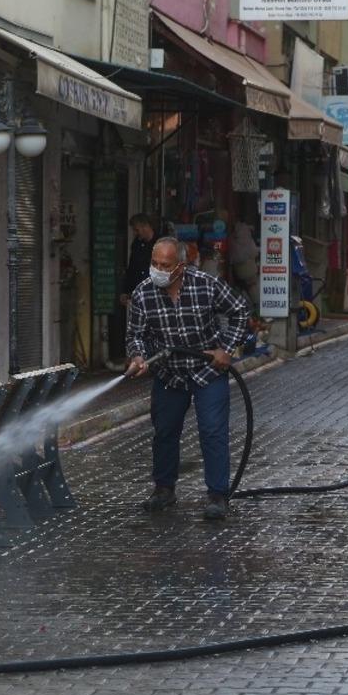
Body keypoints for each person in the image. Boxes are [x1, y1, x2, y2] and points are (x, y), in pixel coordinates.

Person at [125, 237, 251, 521]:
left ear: (180, 266)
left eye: (165, 265)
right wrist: (138, 357)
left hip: (208, 370)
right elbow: (135, 335)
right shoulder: (143, 293)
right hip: (169, 373)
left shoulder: (206, 284)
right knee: (165, 431)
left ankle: (218, 495)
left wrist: (226, 349)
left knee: (212, 431)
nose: (158, 269)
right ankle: (164, 489)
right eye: (154, 264)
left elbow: (240, 311)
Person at [119, 214, 157, 307]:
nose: (135, 233)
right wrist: (126, 291)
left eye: (137, 230)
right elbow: (132, 268)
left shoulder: (161, 243)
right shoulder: (136, 244)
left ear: (146, 226)